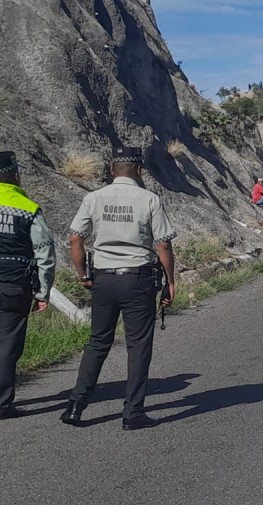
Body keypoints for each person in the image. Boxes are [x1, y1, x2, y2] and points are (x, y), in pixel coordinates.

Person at [61, 146, 177, 430]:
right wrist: (171, 282)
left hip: (103, 278)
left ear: (112, 171)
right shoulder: (150, 199)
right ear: (139, 170)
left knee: (98, 342)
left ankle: (76, 404)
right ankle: (132, 413)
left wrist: (82, 274)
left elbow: (76, 239)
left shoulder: (93, 198)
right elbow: (162, 244)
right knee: (138, 347)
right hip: (138, 279)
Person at [0, 151, 55, 420]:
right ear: (15, 175)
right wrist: (42, 291)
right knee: (7, 345)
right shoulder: (27, 207)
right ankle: (1, 405)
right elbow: (45, 252)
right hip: (14, 285)